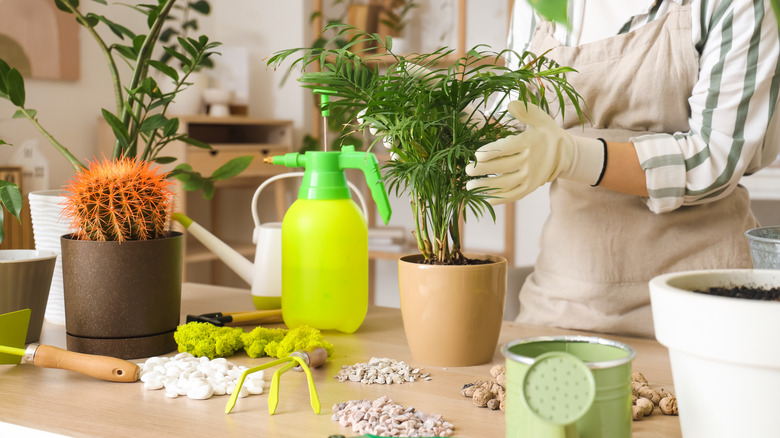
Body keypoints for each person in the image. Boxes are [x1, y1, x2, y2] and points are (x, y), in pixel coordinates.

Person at [466, 0, 780, 338]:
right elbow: (520, 119)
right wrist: (441, 120)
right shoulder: (541, 6)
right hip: (565, 294)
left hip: (702, 294)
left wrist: (575, 157)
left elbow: (714, 160)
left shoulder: (733, 5)